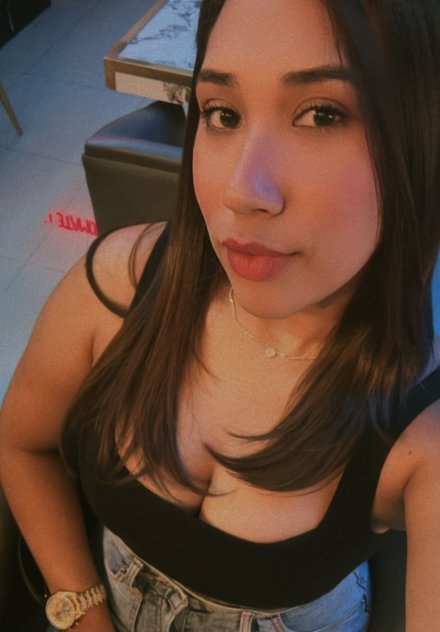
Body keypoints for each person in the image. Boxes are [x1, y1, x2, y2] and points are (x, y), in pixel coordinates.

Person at [1, 0, 439, 630]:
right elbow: (22, 444)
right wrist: (84, 611)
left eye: (321, 114)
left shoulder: (423, 428)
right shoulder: (121, 286)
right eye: (222, 113)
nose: (240, 189)